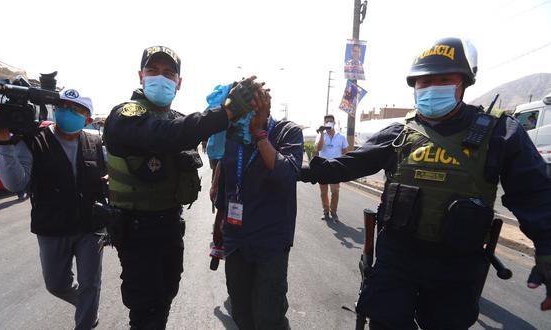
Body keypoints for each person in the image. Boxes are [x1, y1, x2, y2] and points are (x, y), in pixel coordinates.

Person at [299, 37, 551, 329]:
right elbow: (346, 166)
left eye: (443, 79)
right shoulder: (400, 132)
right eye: (424, 82)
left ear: (464, 82)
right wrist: (294, 170)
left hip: (455, 267)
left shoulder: (500, 133)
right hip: (397, 260)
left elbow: (537, 195)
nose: (432, 88)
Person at [102, 45, 256, 329]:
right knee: (145, 308)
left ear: (178, 82)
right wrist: (225, 112)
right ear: (141, 76)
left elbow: (193, 132)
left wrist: (237, 116)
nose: (160, 77)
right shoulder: (125, 115)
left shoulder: (176, 119)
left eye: (168, 73)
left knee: (165, 297)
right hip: (137, 230)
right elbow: (166, 136)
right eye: (153, 71)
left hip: (170, 226)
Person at [0, 89, 106, 330]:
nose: (67, 112)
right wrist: (3, 141)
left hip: (90, 227)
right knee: (56, 284)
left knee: (90, 284)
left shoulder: (95, 142)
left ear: (87, 118)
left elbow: (108, 178)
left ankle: (86, 320)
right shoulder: (34, 140)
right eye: (63, 106)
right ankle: (86, 304)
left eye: (76, 109)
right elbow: (16, 183)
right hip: (52, 228)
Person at [213, 84, 304, 330]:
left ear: (266, 105)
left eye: (252, 107)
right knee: (241, 311)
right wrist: (218, 223)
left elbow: (286, 175)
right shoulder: (234, 138)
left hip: (270, 244)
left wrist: (260, 134)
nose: (244, 114)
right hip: (236, 241)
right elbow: (227, 184)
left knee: (268, 317)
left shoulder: (288, 132)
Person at [315, 114, 348, 222]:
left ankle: (333, 212)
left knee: (335, 191)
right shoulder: (321, 135)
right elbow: (318, 148)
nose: (329, 123)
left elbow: (345, 152)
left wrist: (343, 167)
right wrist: (321, 133)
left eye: (331, 121)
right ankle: (326, 211)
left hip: (335, 168)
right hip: (323, 167)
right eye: (327, 122)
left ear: (334, 122)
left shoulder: (341, 137)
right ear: (324, 123)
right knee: (323, 192)